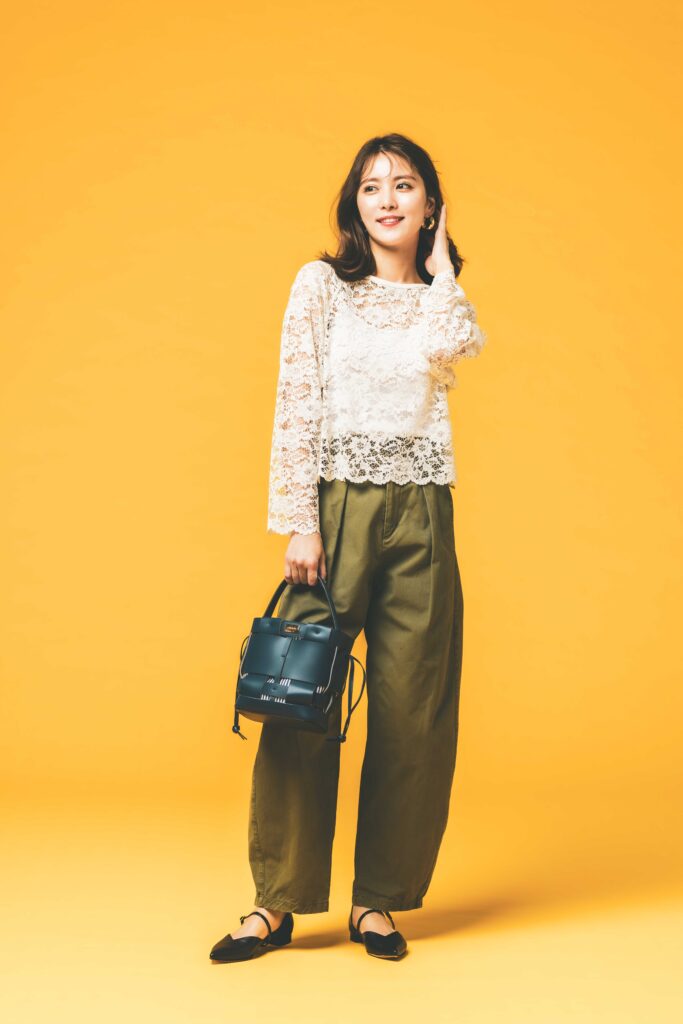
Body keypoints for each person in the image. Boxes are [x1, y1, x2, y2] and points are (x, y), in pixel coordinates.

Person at [210, 132, 487, 963]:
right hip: (334, 507)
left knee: (414, 708)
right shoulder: (321, 285)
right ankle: (275, 902)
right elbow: (296, 398)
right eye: (371, 187)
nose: (387, 199)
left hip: (423, 510)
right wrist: (300, 519)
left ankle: (378, 902)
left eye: (405, 186)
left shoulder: (441, 300)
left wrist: (440, 267)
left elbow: (453, 347)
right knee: (299, 695)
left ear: (430, 205)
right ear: (353, 204)